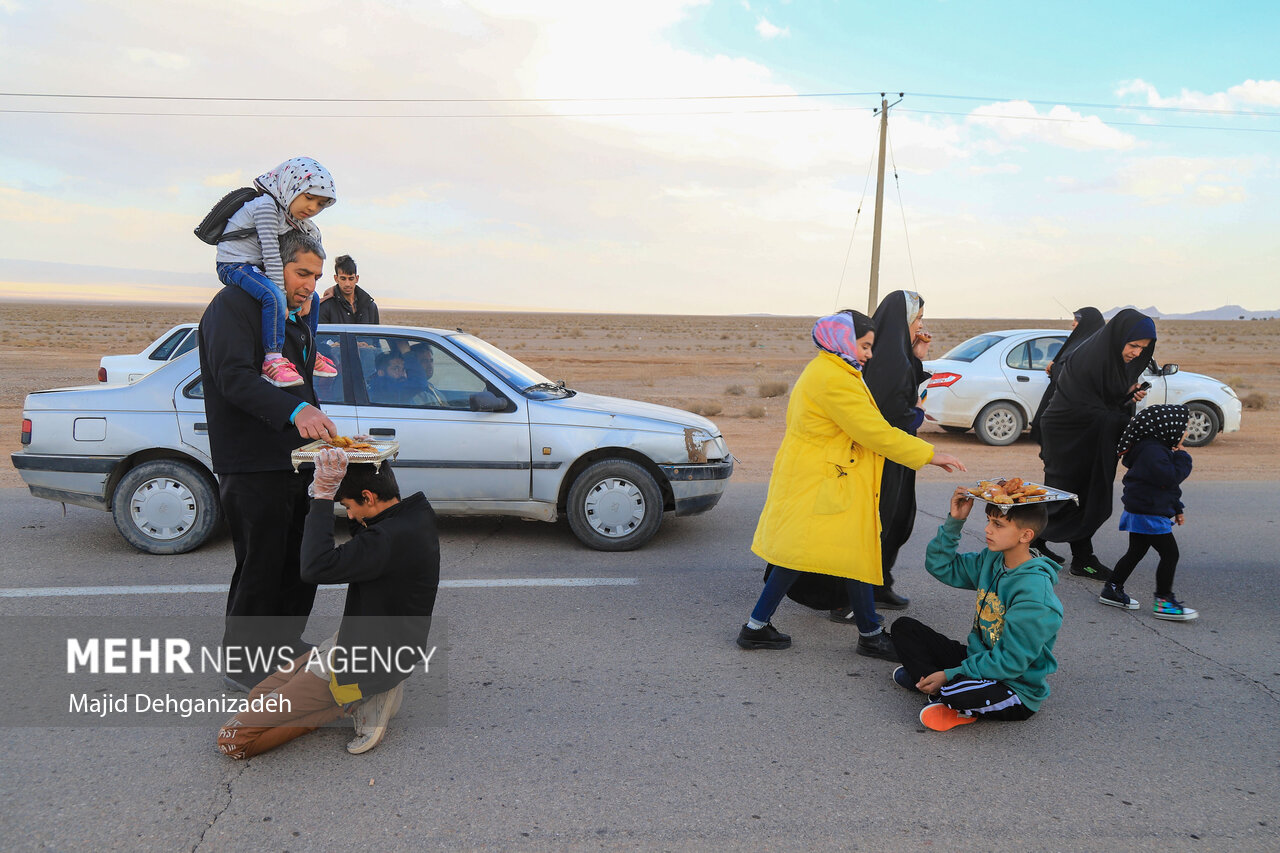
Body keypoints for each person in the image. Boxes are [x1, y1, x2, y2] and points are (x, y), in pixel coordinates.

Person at [737, 311, 965, 658]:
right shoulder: (835, 379)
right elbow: (874, 431)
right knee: (848, 552)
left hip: (822, 476)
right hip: (828, 480)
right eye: (865, 345)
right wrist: (930, 454)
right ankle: (869, 635)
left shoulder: (830, 369)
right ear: (844, 340)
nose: (869, 354)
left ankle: (757, 627)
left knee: (815, 553)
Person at [217, 452, 441, 758]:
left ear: (368, 496)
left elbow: (314, 568)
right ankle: (363, 694)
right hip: (372, 645)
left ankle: (347, 704)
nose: (348, 515)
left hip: (360, 660)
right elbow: (363, 531)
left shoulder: (384, 541)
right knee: (258, 696)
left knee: (233, 739)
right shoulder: (413, 517)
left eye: (347, 506)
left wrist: (322, 496)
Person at [199, 230, 339, 691]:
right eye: (302, 273)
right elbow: (233, 378)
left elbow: (297, 384)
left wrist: (314, 416)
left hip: (296, 460)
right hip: (252, 461)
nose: (309, 285)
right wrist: (296, 411)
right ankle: (243, 666)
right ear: (276, 267)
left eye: (316, 277)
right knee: (261, 565)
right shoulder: (233, 305)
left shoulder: (290, 316)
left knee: (299, 561)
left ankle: (286, 644)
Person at [889, 488, 1063, 732]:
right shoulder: (992, 560)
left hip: (1014, 686)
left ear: (1026, 535)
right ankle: (935, 684)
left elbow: (1011, 662)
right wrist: (955, 521)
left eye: (998, 524)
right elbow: (941, 565)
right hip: (978, 659)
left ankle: (941, 690)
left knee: (954, 691)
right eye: (988, 521)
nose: (987, 530)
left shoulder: (1035, 596)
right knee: (904, 628)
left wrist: (949, 674)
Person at [1037, 308, 1156, 581]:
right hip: (1068, 435)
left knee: (1083, 496)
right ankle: (1069, 553)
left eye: (1143, 348)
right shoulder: (1088, 359)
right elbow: (1081, 407)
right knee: (1068, 496)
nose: (1137, 353)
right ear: (1118, 338)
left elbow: (1105, 402)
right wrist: (1120, 415)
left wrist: (1127, 396)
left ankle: (1051, 547)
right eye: (1133, 345)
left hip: (1092, 434)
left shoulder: (1115, 364)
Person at [215, 156, 339, 388]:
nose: (312, 208)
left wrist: (307, 296)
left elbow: (309, 251)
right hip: (234, 264)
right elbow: (271, 253)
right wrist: (282, 297)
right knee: (272, 295)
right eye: (309, 197)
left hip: (255, 266)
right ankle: (272, 359)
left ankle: (307, 352)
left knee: (312, 297)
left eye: (320, 204)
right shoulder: (266, 207)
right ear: (290, 187)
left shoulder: (294, 218)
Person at [860, 290, 932, 611]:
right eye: (917, 319)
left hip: (895, 453)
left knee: (894, 519)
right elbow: (890, 414)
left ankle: (878, 583)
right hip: (885, 457)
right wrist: (916, 413)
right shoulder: (889, 360)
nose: (921, 325)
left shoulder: (895, 354)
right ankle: (856, 591)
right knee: (882, 521)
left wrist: (918, 354)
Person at [1098, 404, 1198, 620]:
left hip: (1143, 509)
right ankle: (1164, 602)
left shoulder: (1154, 449)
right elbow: (1169, 478)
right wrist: (1183, 458)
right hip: (1148, 512)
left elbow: (1164, 487)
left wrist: (1177, 508)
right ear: (1167, 428)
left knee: (1136, 551)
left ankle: (1112, 588)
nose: (1185, 433)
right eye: (1184, 428)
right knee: (1170, 554)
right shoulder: (1154, 451)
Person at [1029, 307, 1104, 451]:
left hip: (1073, 415)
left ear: (1087, 323)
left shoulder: (1090, 348)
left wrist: (1054, 368)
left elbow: (1073, 376)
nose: (1073, 324)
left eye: (1077, 320)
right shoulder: (1079, 342)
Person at [318, 254, 381, 325]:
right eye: (343, 279)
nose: (347, 284)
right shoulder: (325, 307)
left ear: (356, 279)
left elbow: (374, 335)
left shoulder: (370, 307)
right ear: (336, 278)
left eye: (351, 279)